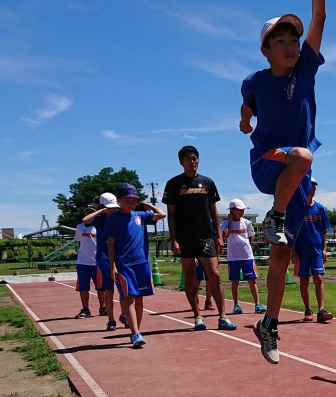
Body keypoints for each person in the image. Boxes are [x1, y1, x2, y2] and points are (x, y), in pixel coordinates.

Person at [239, 0, 326, 363]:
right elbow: (246, 108)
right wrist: (245, 122)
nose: (291, 46)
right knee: (303, 155)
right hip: (267, 162)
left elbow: (320, 17)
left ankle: (269, 324)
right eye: (282, 41)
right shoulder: (255, 81)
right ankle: (273, 215)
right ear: (266, 50)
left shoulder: (305, 68)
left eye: (294, 39)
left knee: (281, 252)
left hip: (295, 175)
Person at [163, 145, 236, 332]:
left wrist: (219, 235)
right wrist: (174, 239)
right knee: (190, 278)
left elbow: (214, 211)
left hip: (205, 236)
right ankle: (197, 316)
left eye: (195, 158)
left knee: (215, 275)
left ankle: (223, 317)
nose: (192, 162)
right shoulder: (173, 184)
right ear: (181, 162)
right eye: (188, 159)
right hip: (185, 237)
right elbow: (171, 214)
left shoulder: (207, 183)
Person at [106, 182, 166, 348]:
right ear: (119, 200)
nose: (131, 202)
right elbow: (111, 243)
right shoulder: (113, 219)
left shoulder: (140, 215)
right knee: (129, 298)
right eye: (128, 199)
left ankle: (137, 330)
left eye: (134, 199)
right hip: (124, 265)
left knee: (139, 298)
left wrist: (148, 205)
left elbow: (162, 215)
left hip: (142, 264)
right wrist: (113, 266)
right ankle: (134, 333)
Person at [294, 179, 333, 323]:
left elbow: (323, 231)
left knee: (318, 278)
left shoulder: (320, 208)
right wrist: (293, 252)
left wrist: (324, 249)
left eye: (314, 187)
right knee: (304, 280)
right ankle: (307, 309)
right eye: (310, 187)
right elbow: (291, 232)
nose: (312, 189)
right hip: (301, 251)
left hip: (316, 250)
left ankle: (321, 310)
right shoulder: (297, 209)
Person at [221, 198, 266, 315]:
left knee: (252, 280)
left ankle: (257, 305)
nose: (242, 212)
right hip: (233, 257)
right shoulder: (225, 223)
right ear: (232, 210)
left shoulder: (247, 222)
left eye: (243, 210)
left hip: (247, 256)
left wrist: (248, 249)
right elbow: (224, 236)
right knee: (234, 281)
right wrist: (230, 223)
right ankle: (236, 305)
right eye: (239, 210)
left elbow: (251, 237)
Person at [83, 192, 122, 330]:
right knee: (109, 289)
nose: (113, 210)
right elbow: (86, 220)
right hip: (104, 257)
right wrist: (101, 211)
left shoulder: (119, 217)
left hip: (120, 256)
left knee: (123, 287)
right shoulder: (99, 220)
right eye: (110, 208)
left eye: (114, 207)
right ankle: (111, 320)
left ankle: (124, 314)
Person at [72, 204, 102, 319]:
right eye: (87, 211)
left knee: (101, 287)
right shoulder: (79, 227)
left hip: (97, 262)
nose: (89, 214)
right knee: (83, 287)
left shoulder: (99, 227)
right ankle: (85, 309)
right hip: (83, 262)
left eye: (91, 212)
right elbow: (79, 242)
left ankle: (103, 307)